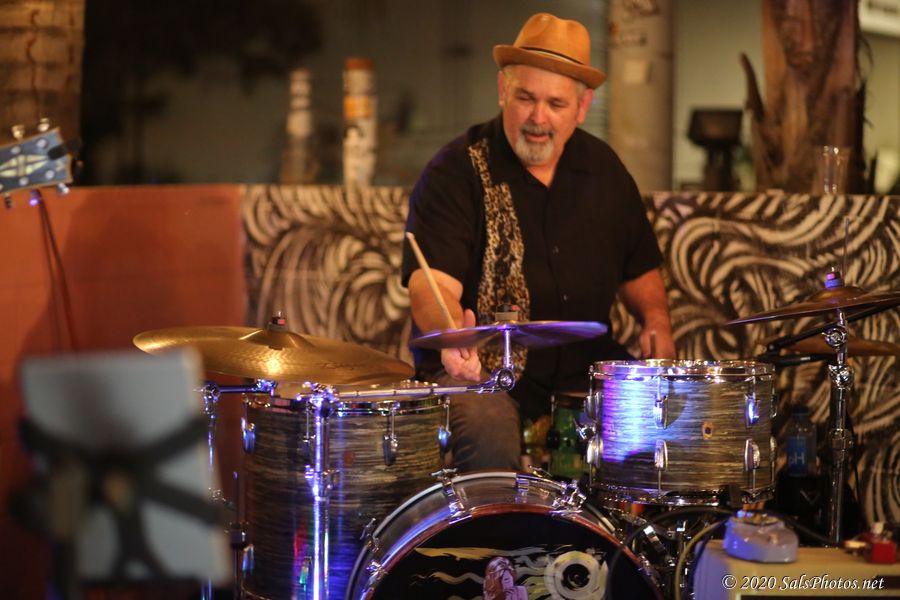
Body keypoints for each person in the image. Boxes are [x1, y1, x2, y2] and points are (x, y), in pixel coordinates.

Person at [401, 12, 676, 473]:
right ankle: (493, 525)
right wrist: (452, 336)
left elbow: (640, 271)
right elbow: (431, 286)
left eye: (556, 103)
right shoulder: (456, 171)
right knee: (487, 429)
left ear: (583, 107)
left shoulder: (605, 171)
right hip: (480, 375)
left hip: (587, 372)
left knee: (666, 418)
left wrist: (657, 320)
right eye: (525, 97)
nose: (538, 117)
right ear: (502, 90)